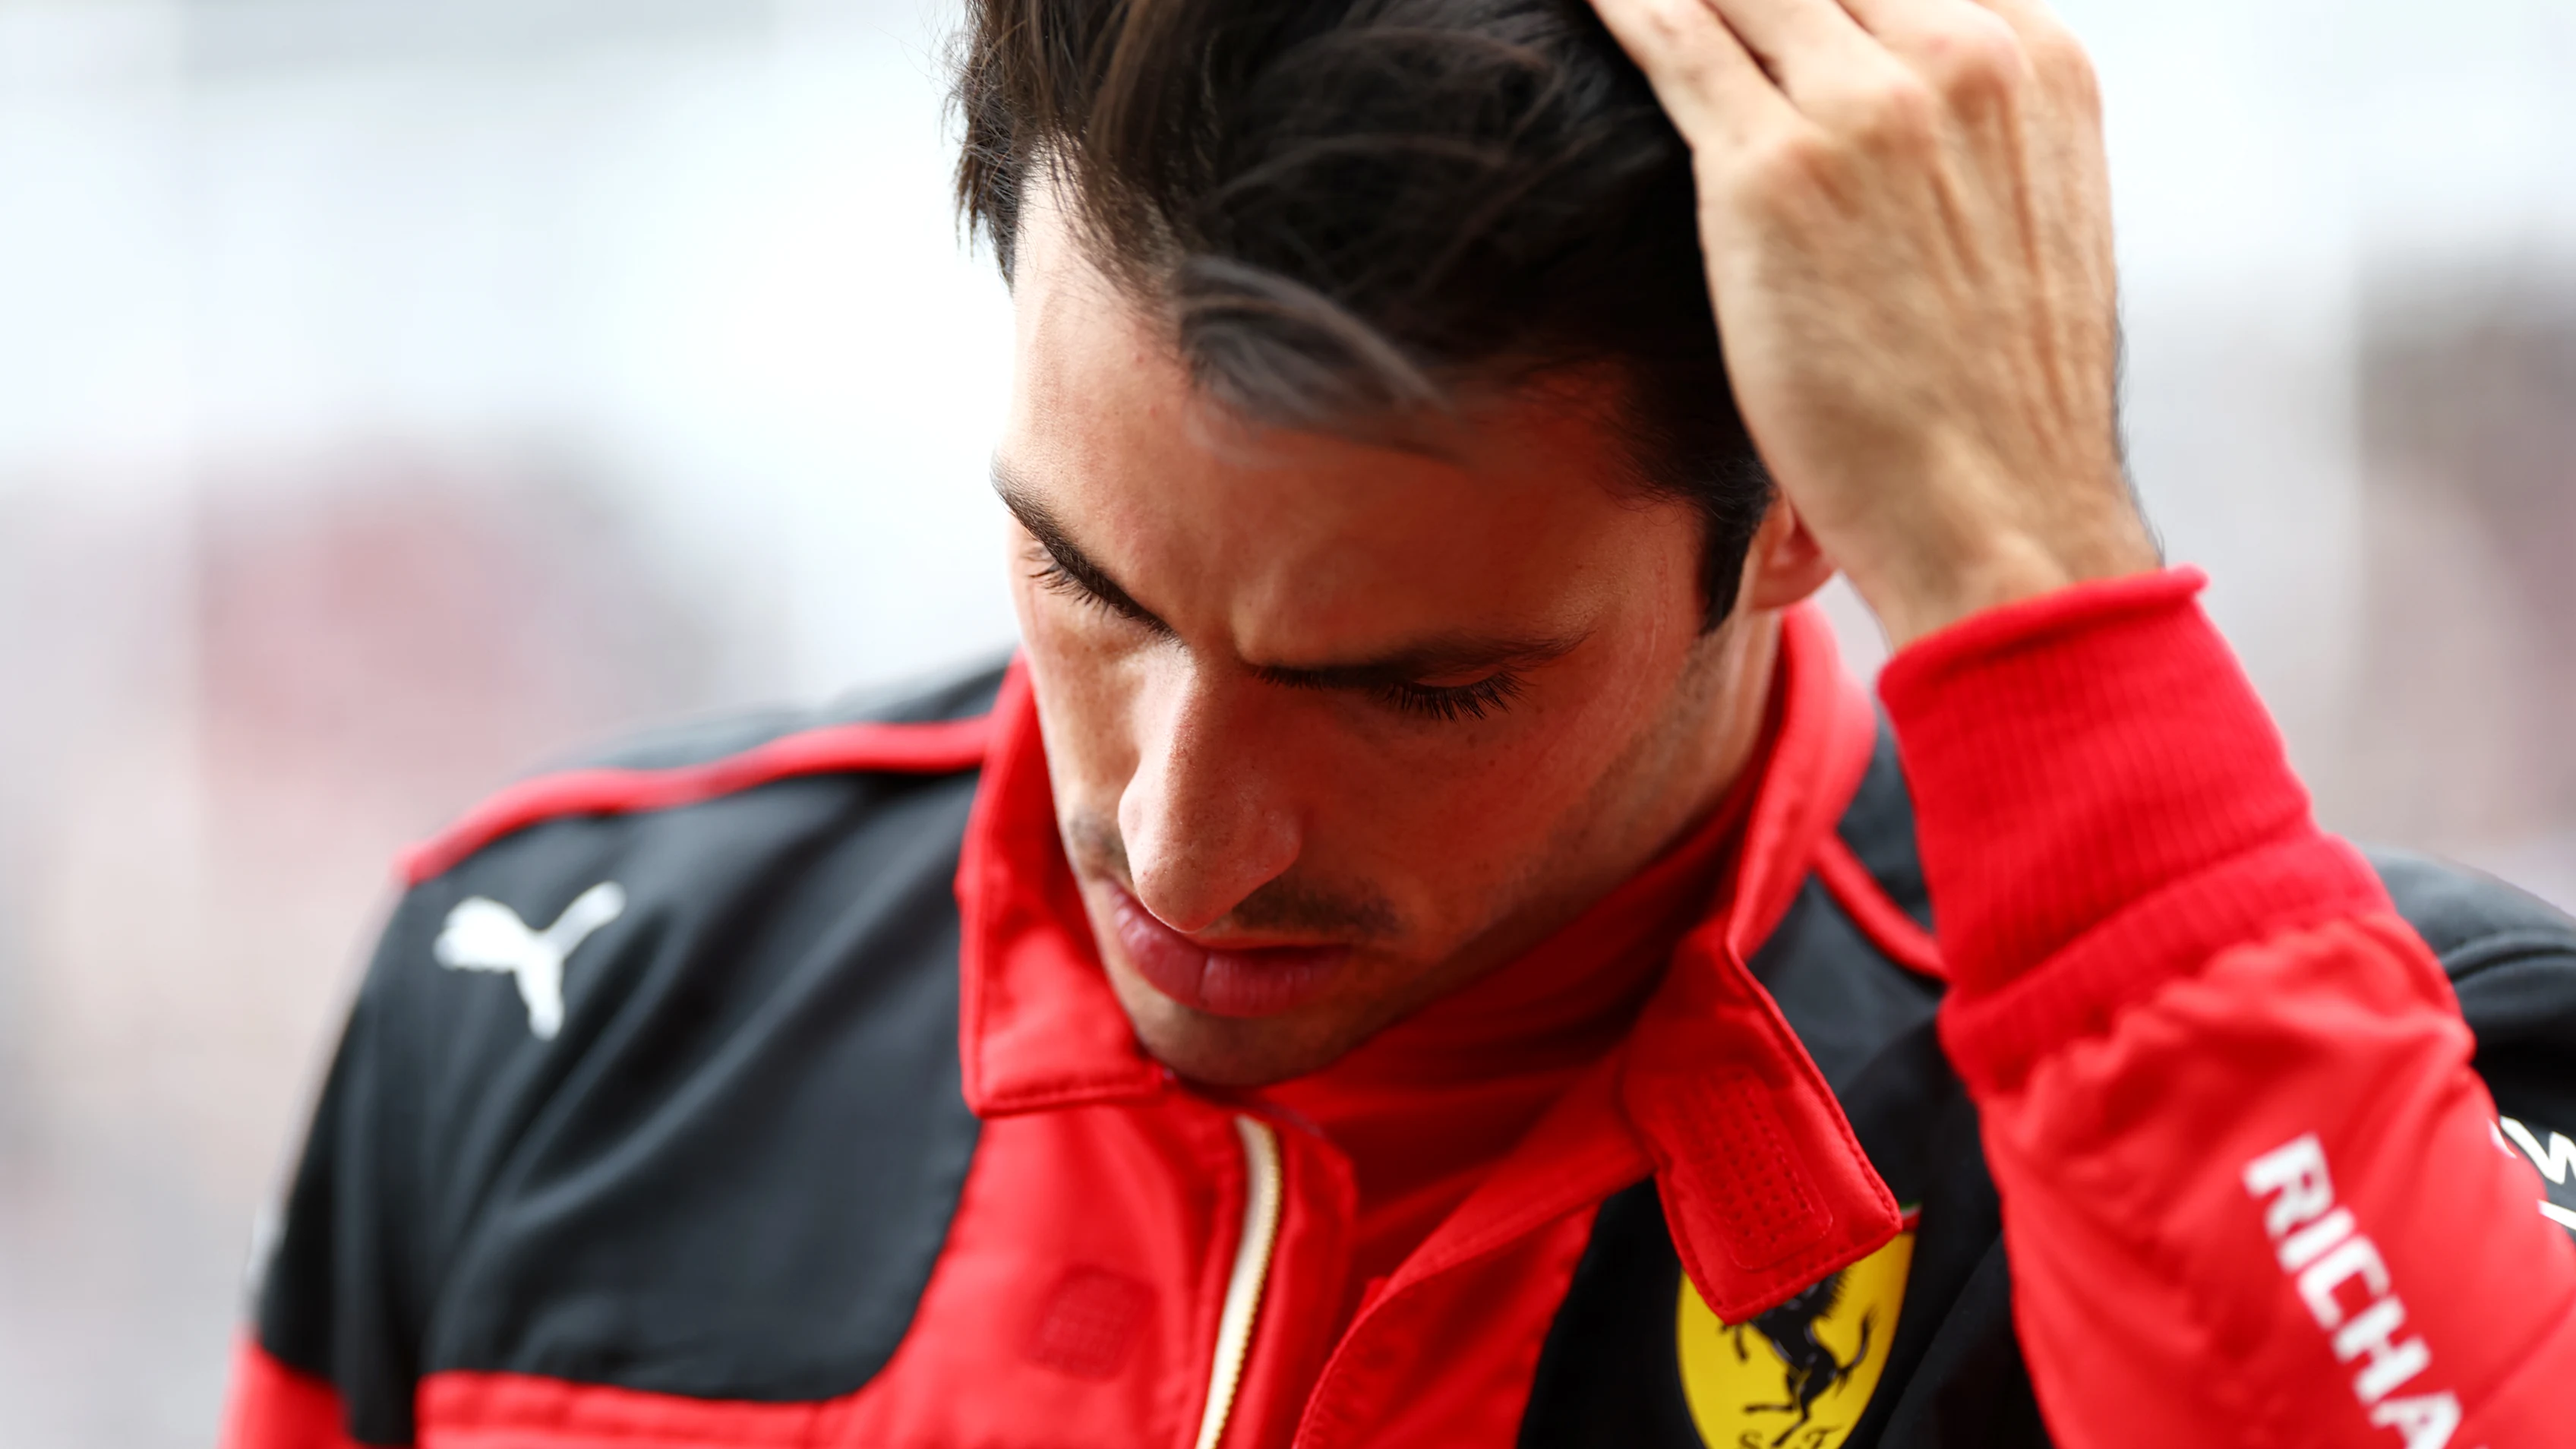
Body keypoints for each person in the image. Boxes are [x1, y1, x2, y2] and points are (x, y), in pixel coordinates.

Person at [219, 0, 2576, 1444]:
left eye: (1424, 685)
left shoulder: (2417, 1092)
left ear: (1803, 521)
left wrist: (2043, 573)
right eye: (1084, 574)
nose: (1181, 833)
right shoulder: (552, 1002)